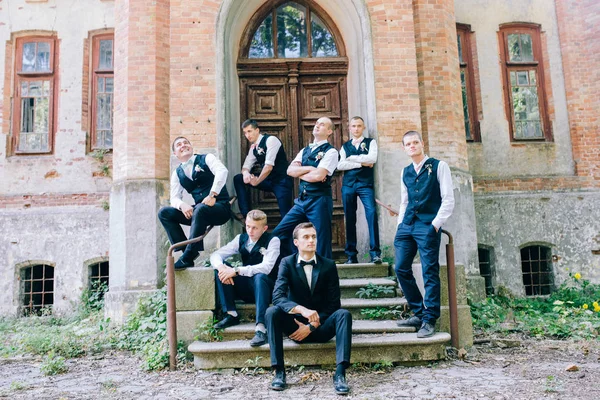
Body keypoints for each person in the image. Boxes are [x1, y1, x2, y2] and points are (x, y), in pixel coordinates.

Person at [266, 223, 352, 395]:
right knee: (271, 312)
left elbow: (334, 304)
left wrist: (312, 325)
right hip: (295, 328)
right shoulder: (286, 263)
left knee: (344, 314)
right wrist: (301, 310)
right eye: (306, 237)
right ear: (296, 242)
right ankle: (279, 372)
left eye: (313, 236)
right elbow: (278, 297)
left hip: (322, 327)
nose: (311, 240)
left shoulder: (328, 265)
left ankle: (340, 374)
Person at [394, 131, 454, 338]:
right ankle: (419, 313)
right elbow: (404, 201)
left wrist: (435, 225)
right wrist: (400, 224)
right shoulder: (405, 172)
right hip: (407, 225)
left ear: (422, 143)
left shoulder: (439, 166)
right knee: (401, 268)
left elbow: (448, 199)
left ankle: (430, 319)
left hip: (427, 225)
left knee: (429, 271)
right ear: (404, 148)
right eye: (408, 144)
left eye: (415, 142)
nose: (412, 146)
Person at [210, 210, 280, 347]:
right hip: (247, 289)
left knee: (260, 277)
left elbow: (266, 267)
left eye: (255, 227)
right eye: (248, 226)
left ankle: (261, 328)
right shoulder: (240, 239)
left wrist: (236, 271)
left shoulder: (273, 241)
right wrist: (222, 268)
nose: (250, 230)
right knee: (221, 268)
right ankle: (231, 314)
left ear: (264, 228)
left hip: (266, 290)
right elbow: (216, 255)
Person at [158, 137, 231, 269]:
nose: (183, 145)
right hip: (200, 212)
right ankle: (188, 252)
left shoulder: (207, 158)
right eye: (179, 145)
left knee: (200, 208)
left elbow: (222, 171)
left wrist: (213, 194)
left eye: (186, 143)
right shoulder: (177, 173)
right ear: (175, 153)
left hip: (220, 208)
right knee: (164, 213)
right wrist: (182, 205)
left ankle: (187, 256)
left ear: (191, 147)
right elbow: (174, 198)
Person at [272, 117, 339, 258]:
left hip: (319, 200)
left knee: (321, 240)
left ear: (329, 131)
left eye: (322, 125)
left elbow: (318, 176)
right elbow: (290, 171)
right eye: (316, 123)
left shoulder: (331, 152)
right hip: (301, 201)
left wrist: (300, 172)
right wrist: (309, 168)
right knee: (279, 233)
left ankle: (324, 276)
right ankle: (294, 264)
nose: (317, 126)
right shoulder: (305, 150)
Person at [337, 116, 382, 264]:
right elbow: (340, 166)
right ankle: (351, 255)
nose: (356, 129)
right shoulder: (345, 146)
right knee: (350, 218)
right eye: (353, 126)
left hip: (365, 185)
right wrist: (361, 162)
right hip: (348, 185)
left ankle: (375, 253)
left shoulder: (371, 143)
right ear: (349, 128)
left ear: (363, 128)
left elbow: (372, 159)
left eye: (359, 126)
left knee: (371, 214)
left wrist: (351, 159)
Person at [233, 119, 293, 219]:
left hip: (282, 182)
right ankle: (246, 215)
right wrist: (246, 174)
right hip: (268, 181)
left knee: (286, 215)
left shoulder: (271, 140)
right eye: (245, 133)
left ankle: (289, 234)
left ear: (257, 130)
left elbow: (268, 167)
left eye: (249, 131)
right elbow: (245, 166)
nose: (247, 135)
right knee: (238, 178)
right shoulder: (254, 148)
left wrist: (257, 181)